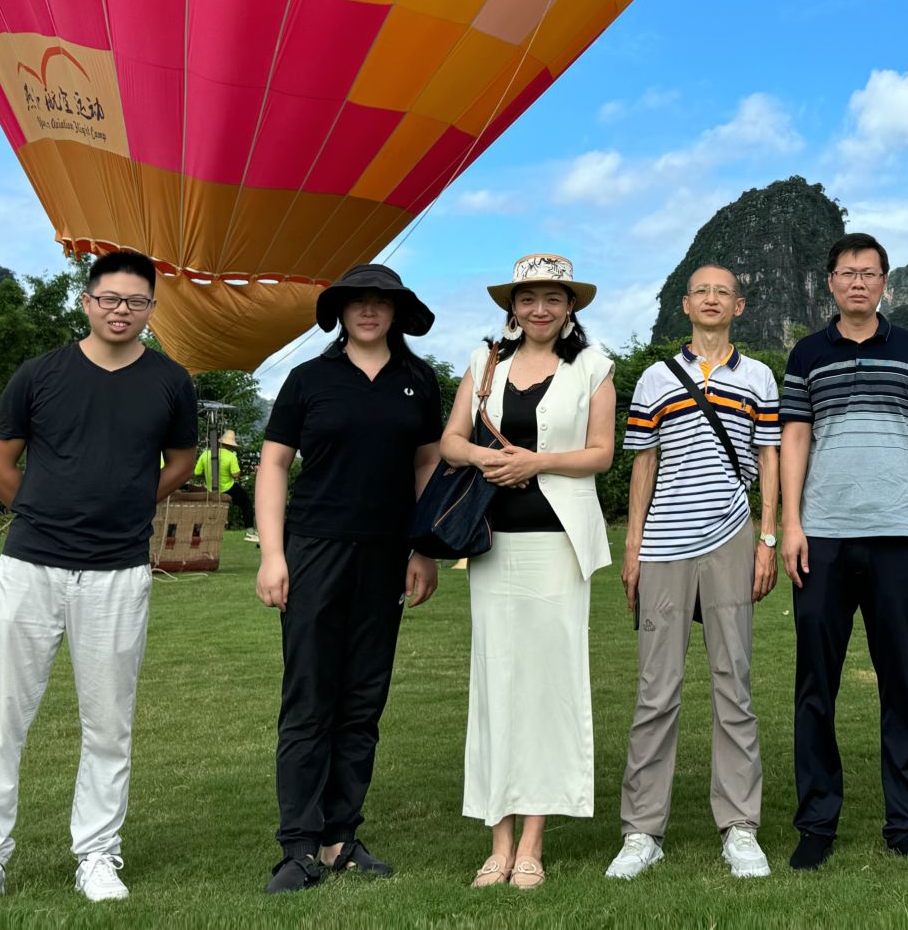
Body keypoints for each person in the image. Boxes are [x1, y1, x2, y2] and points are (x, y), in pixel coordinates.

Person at [0, 250, 198, 912]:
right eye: (109, 297)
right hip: (30, 567)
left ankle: (98, 855)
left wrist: (134, 498)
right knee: (3, 720)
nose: (121, 309)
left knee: (108, 725)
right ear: (86, 301)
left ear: (150, 308)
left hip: (118, 572)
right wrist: (46, 512)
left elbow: (182, 457)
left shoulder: (170, 381)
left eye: (135, 300)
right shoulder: (40, 374)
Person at [254, 264, 445, 893]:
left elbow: (426, 466)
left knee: (363, 700)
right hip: (314, 548)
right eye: (357, 302)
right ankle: (299, 845)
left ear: (397, 313)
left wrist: (425, 549)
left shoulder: (418, 381)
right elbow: (274, 465)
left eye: (381, 302)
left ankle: (340, 837)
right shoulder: (310, 379)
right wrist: (273, 555)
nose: (369, 311)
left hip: (387, 552)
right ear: (340, 311)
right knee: (310, 696)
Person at [780, 233, 908, 870]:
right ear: (830, 282)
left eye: (870, 273)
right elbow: (795, 438)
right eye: (847, 273)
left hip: (899, 536)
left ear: (885, 282)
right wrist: (790, 522)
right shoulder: (807, 353)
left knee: (904, 682)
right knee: (815, 685)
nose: (858, 283)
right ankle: (816, 823)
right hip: (822, 537)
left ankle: (907, 822)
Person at [446, 255, 617, 891]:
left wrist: (536, 463)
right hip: (492, 545)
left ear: (570, 306)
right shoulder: (483, 362)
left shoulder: (593, 367)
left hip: (558, 547)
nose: (539, 309)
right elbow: (452, 441)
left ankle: (534, 842)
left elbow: (601, 454)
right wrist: (493, 461)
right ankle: (497, 837)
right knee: (495, 687)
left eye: (553, 298)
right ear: (511, 307)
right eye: (528, 299)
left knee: (549, 689)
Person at [606, 265, 782, 882]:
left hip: (732, 537)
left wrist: (767, 538)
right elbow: (643, 465)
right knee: (658, 689)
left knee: (734, 683)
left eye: (722, 291)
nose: (712, 299)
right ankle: (641, 831)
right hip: (663, 545)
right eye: (700, 290)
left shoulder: (758, 376)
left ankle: (740, 826)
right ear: (685, 304)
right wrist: (632, 547)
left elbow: (769, 459)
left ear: (739, 302)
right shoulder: (656, 377)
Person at [195, 431, 254, 533]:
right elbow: (235, 475)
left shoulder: (205, 454)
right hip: (228, 488)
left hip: (211, 489)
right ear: (231, 445)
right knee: (246, 503)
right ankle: (250, 530)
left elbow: (197, 472)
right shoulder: (231, 456)